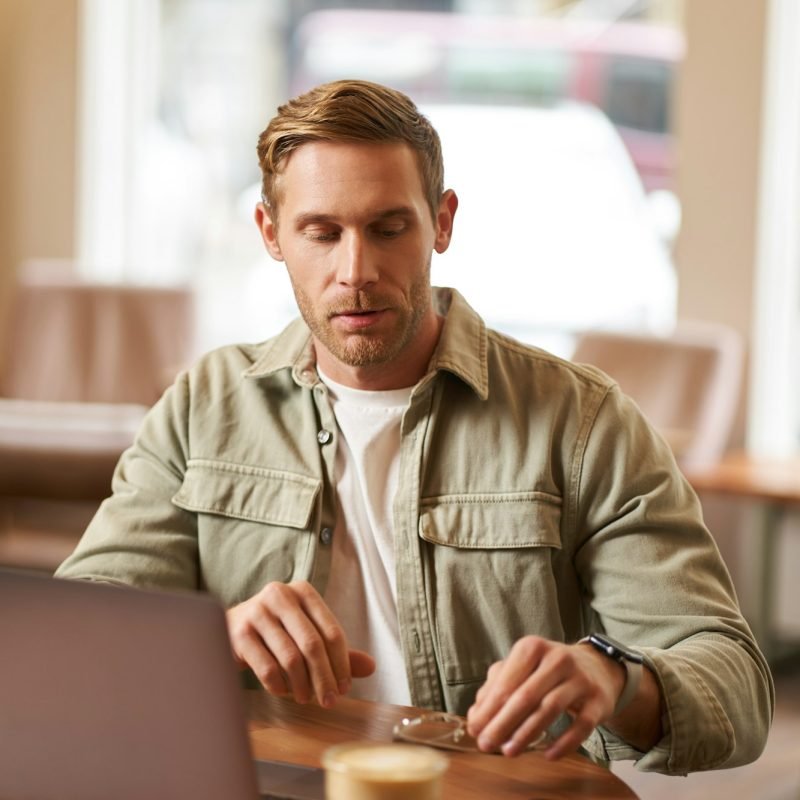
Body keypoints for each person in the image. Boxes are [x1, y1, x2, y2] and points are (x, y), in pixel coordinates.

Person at [56, 79, 773, 775]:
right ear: (272, 235)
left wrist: (611, 676)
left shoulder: (580, 421)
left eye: (388, 227)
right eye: (322, 232)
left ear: (444, 221)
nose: (356, 270)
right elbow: (75, 637)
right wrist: (211, 639)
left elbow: (733, 688)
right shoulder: (201, 406)